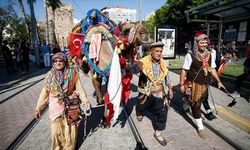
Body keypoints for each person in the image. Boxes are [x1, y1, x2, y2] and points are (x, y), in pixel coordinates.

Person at [34, 52, 91, 150]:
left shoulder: (73, 73)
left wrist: (85, 100)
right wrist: (38, 107)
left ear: (65, 62)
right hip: (55, 105)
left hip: (71, 104)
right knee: (56, 130)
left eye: (61, 61)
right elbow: (44, 93)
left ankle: (70, 147)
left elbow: (79, 88)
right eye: (55, 61)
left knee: (70, 129)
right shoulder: (49, 76)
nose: (58, 63)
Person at [179, 32, 225, 140]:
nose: (204, 44)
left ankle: (187, 103)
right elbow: (184, 71)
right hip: (193, 84)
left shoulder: (210, 54)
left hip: (205, 84)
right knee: (196, 105)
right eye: (201, 42)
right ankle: (200, 128)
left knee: (200, 99)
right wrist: (181, 84)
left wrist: (218, 81)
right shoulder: (190, 55)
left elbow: (213, 69)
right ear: (196, 43)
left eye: (206, 42)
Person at [135, 42, 173, 146]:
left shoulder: (164, 63)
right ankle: (139, 112)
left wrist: (170, 88)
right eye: (157, 51)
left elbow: (167, 77)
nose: (159, 53)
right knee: (141, 104)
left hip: (160, 91)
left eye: (161, 51)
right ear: (151, 51)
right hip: (145, 91)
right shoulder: (143, 62)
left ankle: (158, 132)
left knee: (162, 111)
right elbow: (133, 70)